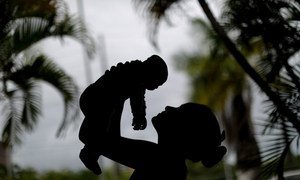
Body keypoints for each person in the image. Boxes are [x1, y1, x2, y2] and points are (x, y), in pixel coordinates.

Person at [83, 102, 227, 180]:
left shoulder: (162, 160)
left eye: (179, 111)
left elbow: (91, 137)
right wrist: (119, 98)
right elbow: (109, 142)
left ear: (183, 132)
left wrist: (117, 94)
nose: (168, 107)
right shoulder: (170, 163)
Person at [78, 55, 168, 174]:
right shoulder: (137, 74)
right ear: (151, 73)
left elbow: (138, 97)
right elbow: (137, 98)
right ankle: (89, 152)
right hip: (96, 100)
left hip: (109, 103)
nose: (156, 87)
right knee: (103, 132)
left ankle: (90, 151)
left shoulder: (137, 75)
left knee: (110, 137)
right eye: (157, 83)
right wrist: (139, 116)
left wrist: (139, 115)